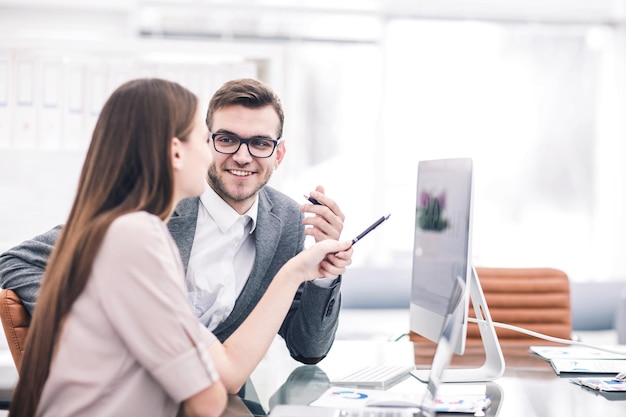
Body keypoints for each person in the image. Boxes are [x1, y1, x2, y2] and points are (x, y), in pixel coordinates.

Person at [9, 78, 353, 417]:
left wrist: (321, 273)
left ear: (278, 154)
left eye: (260, 143)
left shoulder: (289, 221)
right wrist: (88, 322)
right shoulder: (140, 228)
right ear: (182, 149)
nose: (241, 156)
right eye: (222, 140)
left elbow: (307, 350)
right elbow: (212, 389)